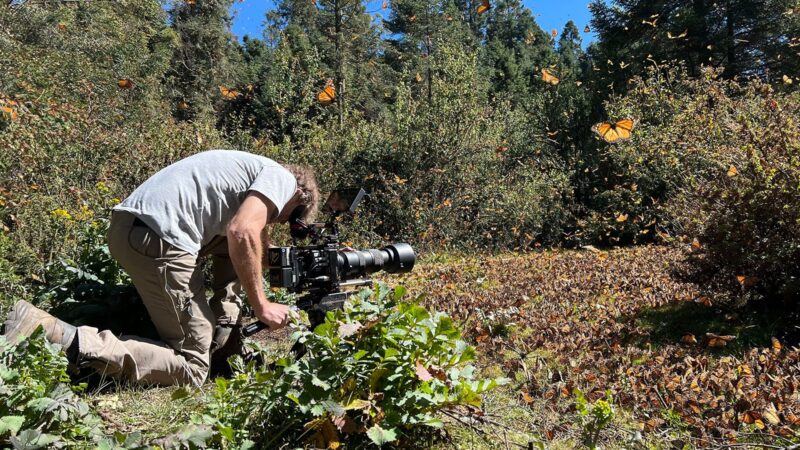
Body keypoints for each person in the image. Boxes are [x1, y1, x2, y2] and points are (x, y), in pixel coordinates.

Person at [2, 150, 319, 387]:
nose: (281, 223)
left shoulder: (253, 169)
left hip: (132, 229)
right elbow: (243, 233)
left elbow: (253, 243)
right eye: (291, 220)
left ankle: (223, 346)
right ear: (300, 197)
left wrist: (307, 262)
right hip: (160, 240)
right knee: (194, 367)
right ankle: (54, 335)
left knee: (235, 249)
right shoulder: (283, 180)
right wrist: (262, 306)